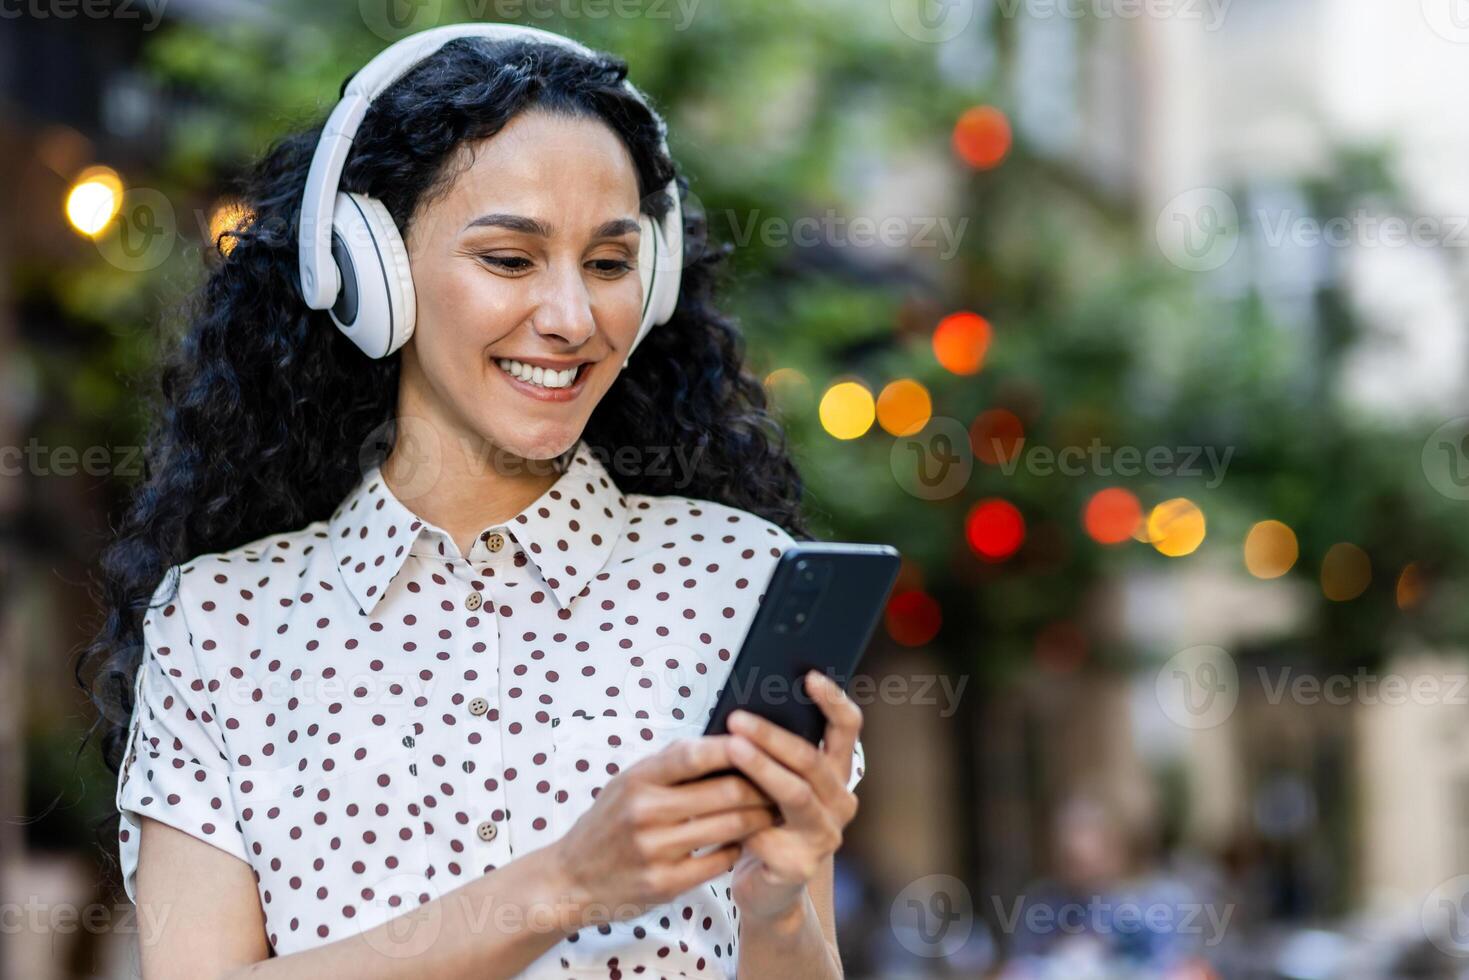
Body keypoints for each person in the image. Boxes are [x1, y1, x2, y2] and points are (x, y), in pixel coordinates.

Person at [83, 24, 865, 980]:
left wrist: (779, 907)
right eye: (509, 259)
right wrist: (565, 884)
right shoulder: (221, 625)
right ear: (369, 270)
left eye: (611, 264)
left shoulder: (738, 580)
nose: (573, 319)